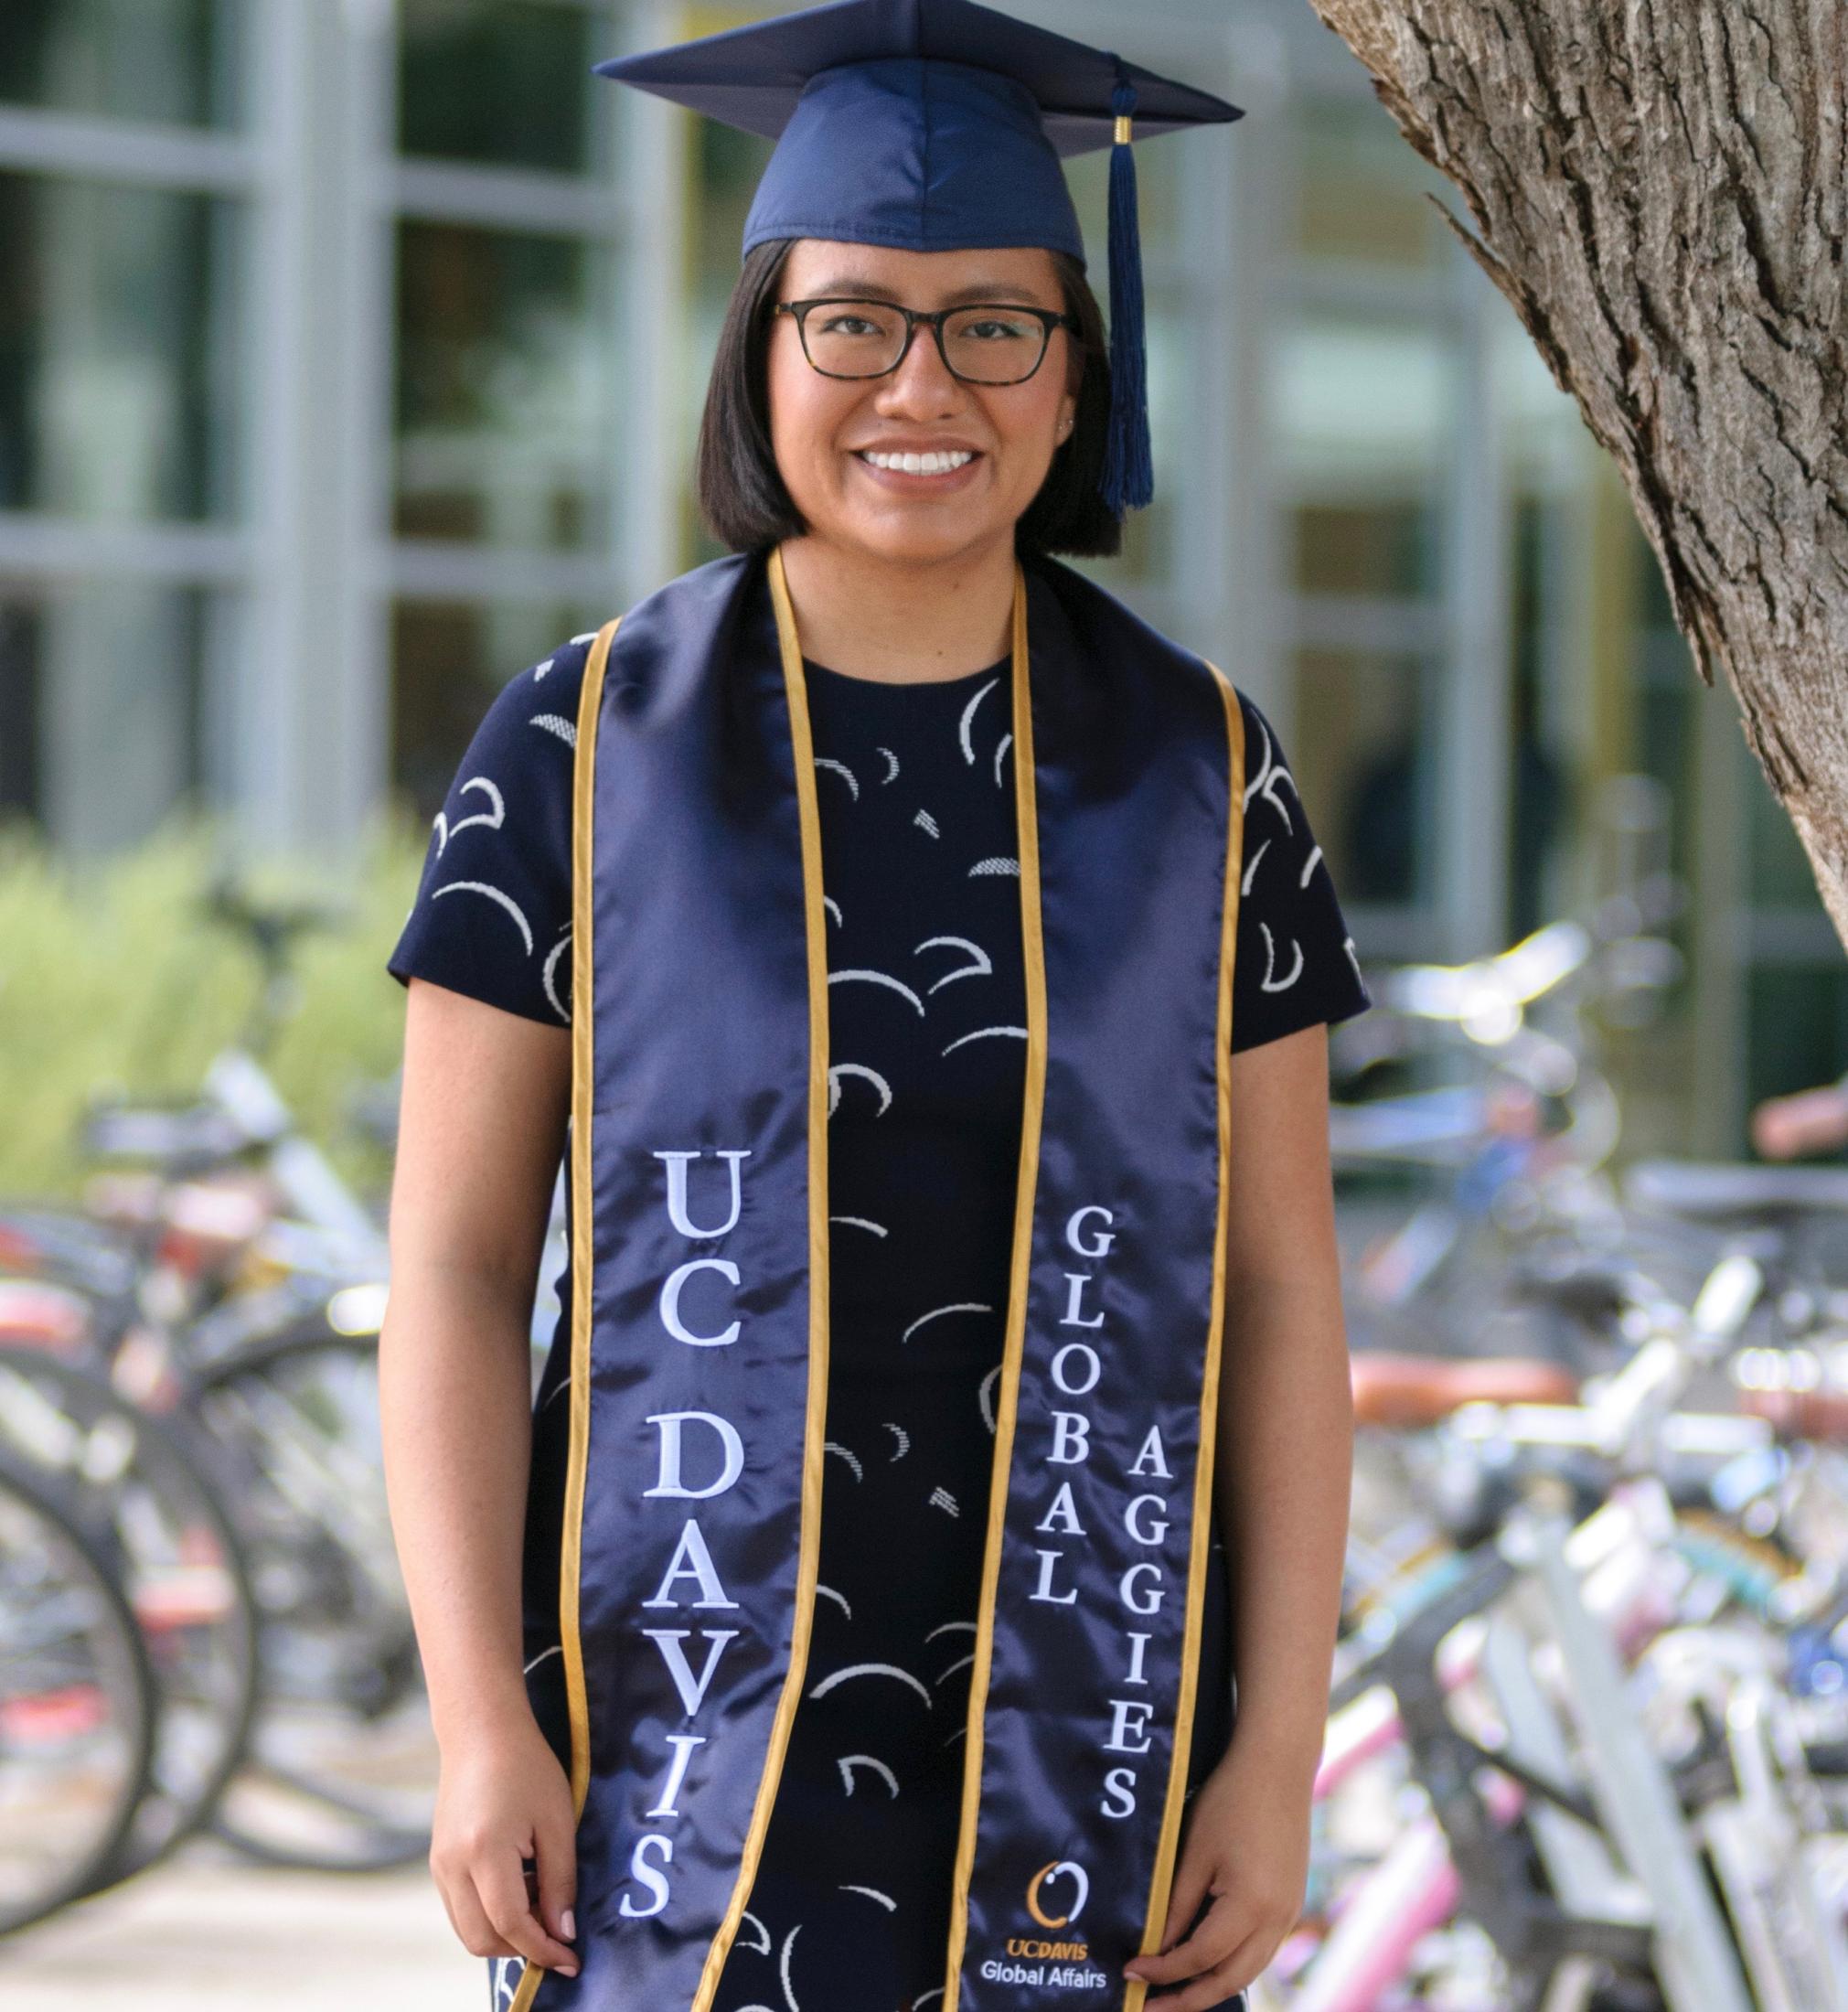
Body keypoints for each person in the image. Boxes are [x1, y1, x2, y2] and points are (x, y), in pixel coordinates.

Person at [379, 5, 1369, 2009]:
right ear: (760, 353)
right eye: (853, 322)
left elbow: (1281, 1287)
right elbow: (461, 1269)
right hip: (670, 1750)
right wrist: (476, 1716)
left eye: (996, 324)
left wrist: (1277, 1759)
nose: (923, 382)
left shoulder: (1203, 765)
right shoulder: (578, 746)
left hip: (1103, 1744)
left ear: (1076, 372)